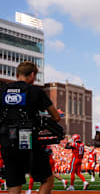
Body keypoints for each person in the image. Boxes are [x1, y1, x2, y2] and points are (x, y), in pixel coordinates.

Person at [0, 61, 61, 194]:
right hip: (27, 139)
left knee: (15, 184)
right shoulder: (35, 91)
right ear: (32, 75)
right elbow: (56, 117)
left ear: (17, 75)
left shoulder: (2, 90)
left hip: (6, 140)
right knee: (47, 180)